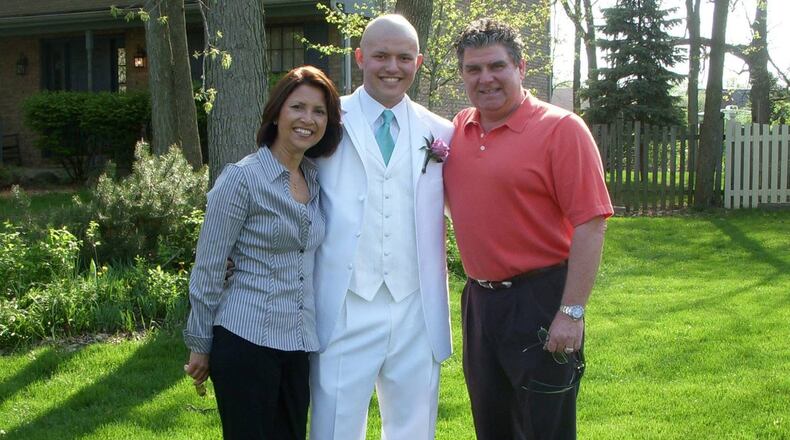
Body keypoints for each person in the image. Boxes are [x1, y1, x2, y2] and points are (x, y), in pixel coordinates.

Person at [443, 18, 614, 440]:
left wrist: (571, 313)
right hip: (480, 303)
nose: (486, 79)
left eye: (497, 66)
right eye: (473, 69)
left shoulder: (561, 130)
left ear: (520, 68)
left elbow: (591, 225)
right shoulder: (459, 129)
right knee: (493, 424)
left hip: (540, 300)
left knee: (545, 427)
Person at [309, 14, 454, 440]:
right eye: (381, 56)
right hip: (344, 304)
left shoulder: (441, 131)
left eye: (404, 57)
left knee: (414, 429)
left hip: (416, 308)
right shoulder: (327, 122)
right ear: (360, 58)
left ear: (419, 62)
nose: (393, 66)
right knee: (334, 427)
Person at [183, 65, 342, 440]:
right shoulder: (241, 179)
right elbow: (207, 267)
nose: (308, 119)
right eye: (297, 107)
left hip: (299, 342)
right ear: (276, 113)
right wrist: (199, 346)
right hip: (245, 339)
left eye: (319, 111)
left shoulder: (314, 178)